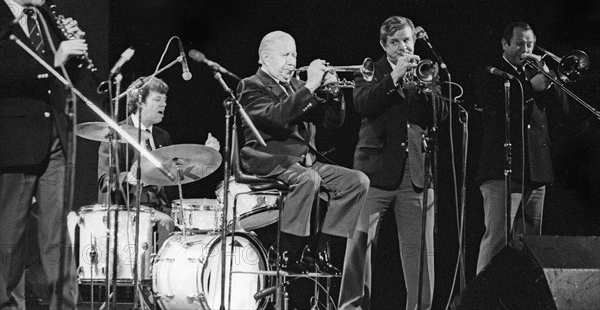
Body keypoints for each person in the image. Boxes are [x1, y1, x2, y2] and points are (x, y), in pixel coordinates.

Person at [236, 30, 369, 274]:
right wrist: (310, 86)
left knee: (356, 181)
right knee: (309, 178)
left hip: (302, 162)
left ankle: (320, 248)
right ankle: (285, 250)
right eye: (285, 54)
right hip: (269, 158)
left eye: (295, 55)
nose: (293, 62)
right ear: (265, 57)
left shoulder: (297, 86)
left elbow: (331, 122)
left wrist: (335, 94)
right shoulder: (250, 86)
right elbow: (275, 118)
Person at [338, 16, 447, 310]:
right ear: (384, 44)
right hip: (373, 173)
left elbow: (441, 116)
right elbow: (364, 104)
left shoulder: (427, 71)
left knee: (421, 256)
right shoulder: (370, 70)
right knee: (359, 249)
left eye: (407, 40)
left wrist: (427, 89)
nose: (403, 47)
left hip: (416, 174)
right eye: (396, 42)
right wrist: (395, 77)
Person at [0, 0, 88, 309]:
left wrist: (77, 54)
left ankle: (64, 306)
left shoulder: (47, 19)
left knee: (57, 237)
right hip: (15, 141)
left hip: (56, 140)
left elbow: (71, 81)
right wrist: (53, 58)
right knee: (10, 238)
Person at [475, 22, 568, 274]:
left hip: (536, 172)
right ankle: (481, 301)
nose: (525, 50)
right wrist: (529, 87)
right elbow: (493, 107)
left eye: (529, 44)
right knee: (497, 241)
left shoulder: (539, 74)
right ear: (505, 44)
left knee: (530, 246)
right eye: (519, 44)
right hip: (501, 170)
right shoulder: (492, 72)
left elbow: (563, 111)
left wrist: (550, 76)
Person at [97, 76, 220, 250]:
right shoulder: (117, 134)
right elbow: (105, 181)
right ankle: (156, 276)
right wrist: (129, 178)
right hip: (129, 208)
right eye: (157, 100)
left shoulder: (162, 136)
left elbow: (176, 175)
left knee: (199, 221)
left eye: (165, 100)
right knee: (165, 222)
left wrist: (205, 155)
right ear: (139, 102)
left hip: (161, 206)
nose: (164, 105)